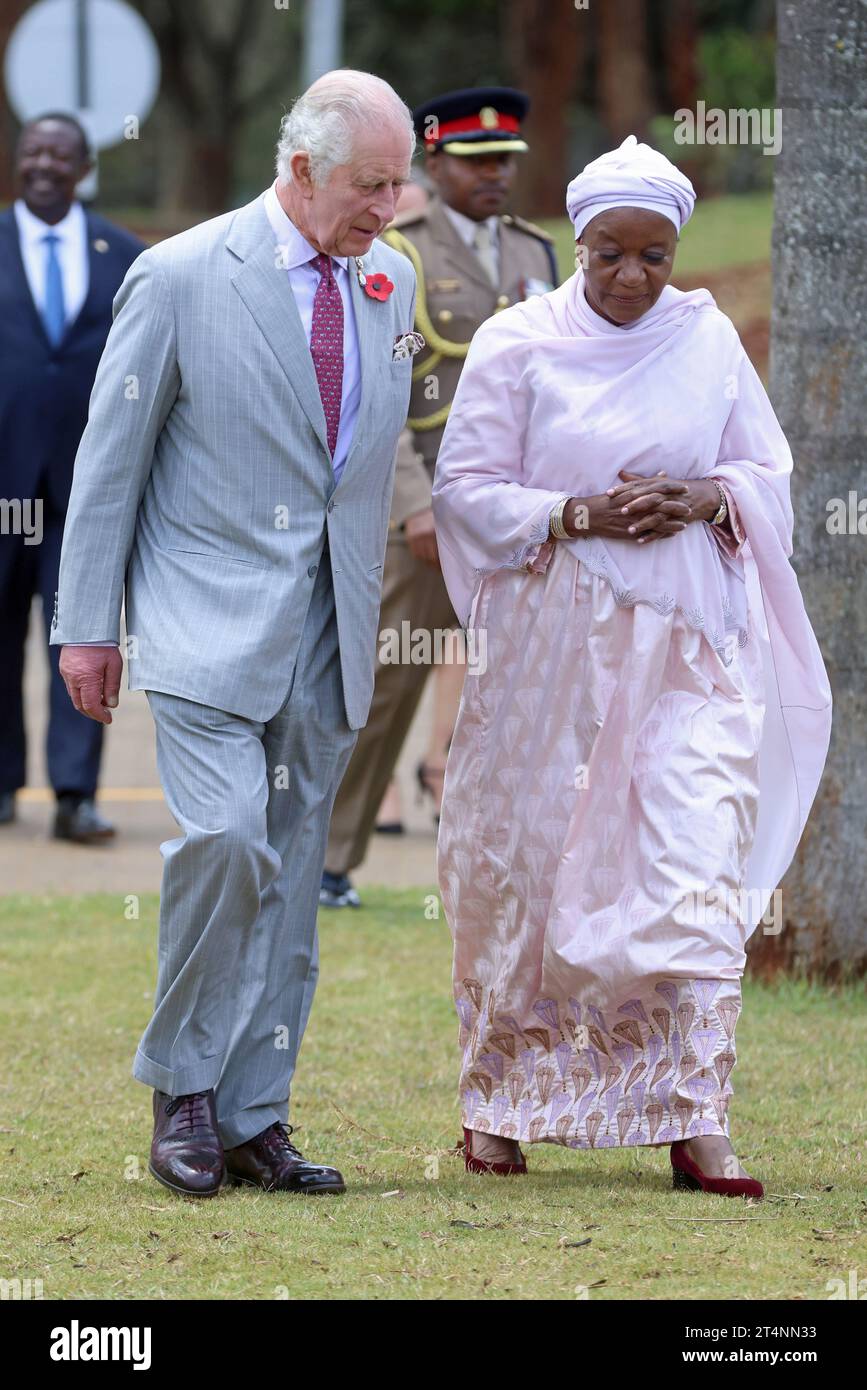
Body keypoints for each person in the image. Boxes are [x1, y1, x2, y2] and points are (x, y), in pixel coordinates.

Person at [431, 136, 831, 1197]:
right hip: (551, 659)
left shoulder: (704, 340)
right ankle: (501, 1103)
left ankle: (695, 1115)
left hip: (689, 654)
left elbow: (768, 473)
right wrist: (576, 512)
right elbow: (464, 487)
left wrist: (706, 497)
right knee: (530, 874)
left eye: (653, 256)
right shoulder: (518, 343)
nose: (631, 278)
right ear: (577, 241)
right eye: (609, 252)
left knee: (694, 867)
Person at [50, 71, 418, 1198]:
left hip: (331, 624)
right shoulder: (178, 276)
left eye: (400, 184)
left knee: (294, 880)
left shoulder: (388, 283)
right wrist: (84, 625)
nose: (390, 208)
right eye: (371, 184)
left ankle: (256, 1114)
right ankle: (183, 1090)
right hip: (203, 621)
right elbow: (108, 466)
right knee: (229, 843)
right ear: (299, 168)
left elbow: (358, 458)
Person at [321, 88, 557, 908]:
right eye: (475, 161)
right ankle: (328, 859)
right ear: (436, 163)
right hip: (424, 511)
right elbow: (379, 391)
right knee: (386, 687)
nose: (494, 176)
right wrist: (413, 502)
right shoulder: (399, 251)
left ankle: (510, 870)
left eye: (505, 163)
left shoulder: (536, 254)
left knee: (526, 691)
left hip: (516, 511)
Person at [0, 113, 144, 842]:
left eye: (61, 153)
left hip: (86, 495)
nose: (45, 164)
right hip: (1, 488)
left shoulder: (125, 256)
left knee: (81, 635)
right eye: (34, 151)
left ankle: (74, 796)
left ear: (85, 165)